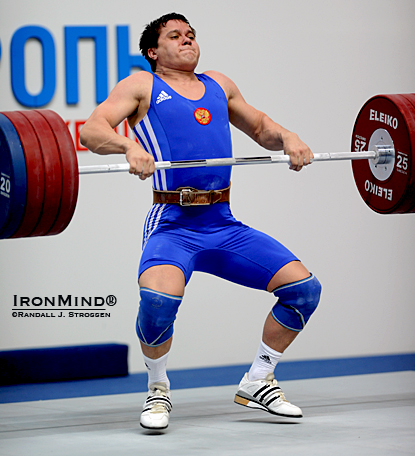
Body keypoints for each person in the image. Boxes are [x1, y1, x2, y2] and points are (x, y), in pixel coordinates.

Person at [80, 12, 322, 430]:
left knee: (304, 290)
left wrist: (290, 138)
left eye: (190, 34)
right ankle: (158, 389)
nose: (187, 40)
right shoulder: (142, 85)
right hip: (172, 223)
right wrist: (126, 145)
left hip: (223, 224)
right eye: (175, 35)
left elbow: (261, 127)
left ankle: (259, 379)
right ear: (154, 52)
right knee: (158, 303)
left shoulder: (218, 84)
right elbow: (90, 130)